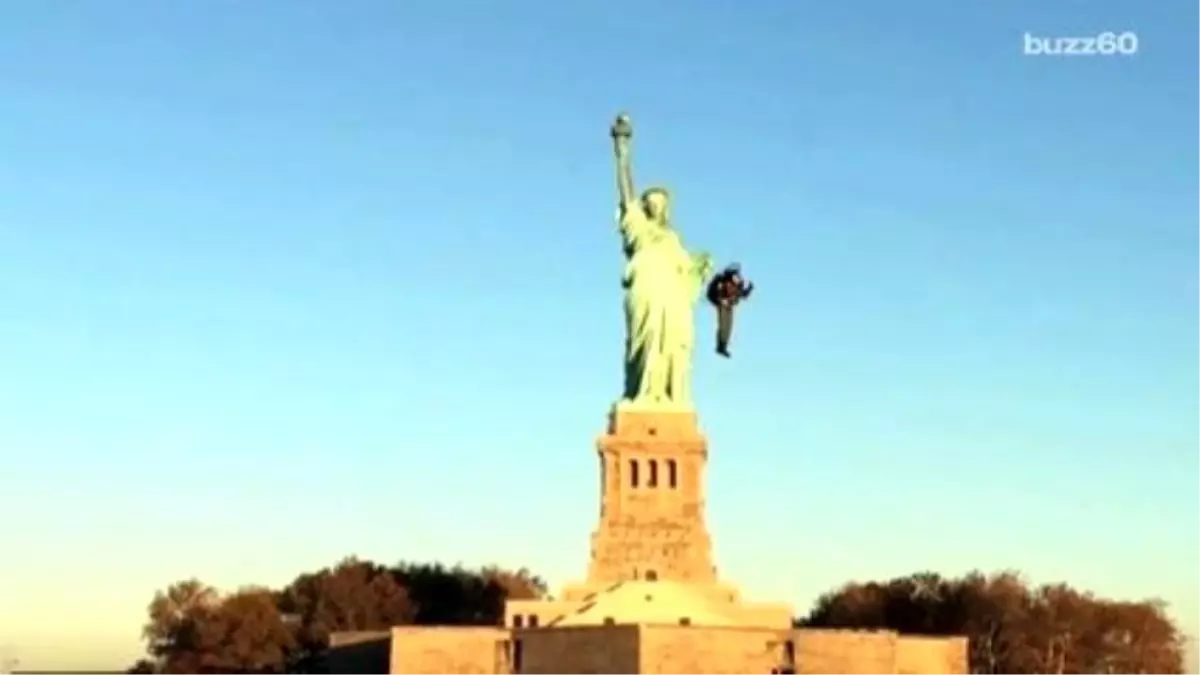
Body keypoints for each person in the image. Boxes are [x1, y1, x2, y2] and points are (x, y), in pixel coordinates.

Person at [706, 263, 754, 357]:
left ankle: (722, 347)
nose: (737, 278)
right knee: (724, 325)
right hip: (722, 303)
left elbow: (742, 294)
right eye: (735, 276)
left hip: (729, 305)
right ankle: (720, 347)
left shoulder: (737, 283)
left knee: (728, 326)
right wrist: (719, 301)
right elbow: (711, 293)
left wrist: (749, 289)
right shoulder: (721, 279)